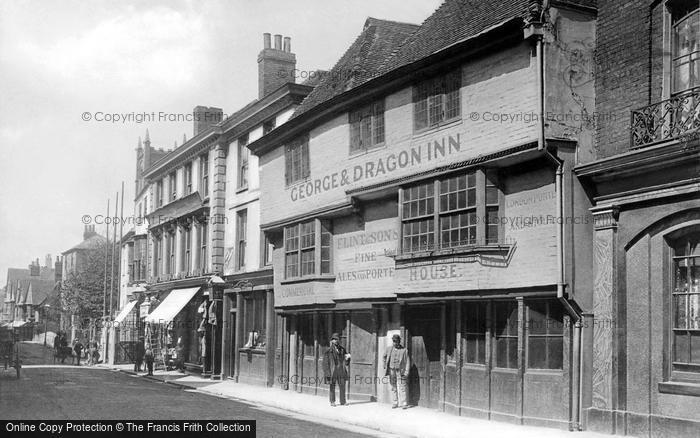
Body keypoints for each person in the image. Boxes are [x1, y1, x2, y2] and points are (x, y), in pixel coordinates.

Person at [322, 332, 351, 407]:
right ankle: (332, 401)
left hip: (341, 370)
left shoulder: (342, 349)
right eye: (334, 339)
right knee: (332, 386)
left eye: (337, 339)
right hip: (332, 371)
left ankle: (343, 401)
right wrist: (327, 373)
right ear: (332, 341)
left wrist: (348, 359)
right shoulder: (328, 351)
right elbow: (325, 363)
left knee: (342, 386)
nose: (336, 341)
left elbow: (346, 361)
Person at [383, 334, 410, 409]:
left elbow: (408, 362)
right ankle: (395, 402)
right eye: (393, 341)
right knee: (393, 386)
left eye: (396, 341)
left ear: (399, 341)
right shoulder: (389, 349)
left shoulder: (404, 350)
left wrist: (406, 372)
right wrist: (385, 365)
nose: (395, 343)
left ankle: (404, 403)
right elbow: (384, 356)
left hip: (400, 371)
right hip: (391, 370)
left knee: (402, 386)